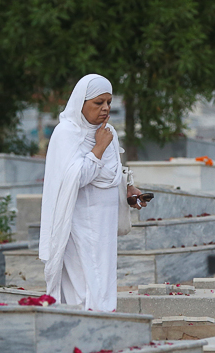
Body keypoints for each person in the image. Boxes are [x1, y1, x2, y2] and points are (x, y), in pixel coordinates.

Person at [39, 74, 149, 311]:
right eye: (98, 103)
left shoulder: (107, 131)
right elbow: (74, 179)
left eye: (108, 102)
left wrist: (128, 189)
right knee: (83, 285)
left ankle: (104, 327)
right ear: (81, 102)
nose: (105, 108)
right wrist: (98, 148)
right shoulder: (66, 133)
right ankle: (86, 331)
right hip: (77, 225)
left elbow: (111, 172)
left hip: (104, 225)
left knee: (103, 279)